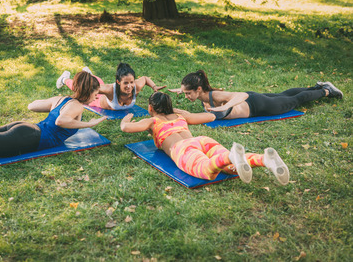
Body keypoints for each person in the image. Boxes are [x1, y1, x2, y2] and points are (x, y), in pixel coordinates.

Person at [120, 92, 290, 185]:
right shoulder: (181, 117)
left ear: (150, 108)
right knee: (231, 168)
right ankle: (264, 159)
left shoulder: (152, 121)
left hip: (182, 149)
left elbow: (126, 128)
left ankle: (231, 156)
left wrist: (126, 119)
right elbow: (211, 118)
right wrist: (187, 114)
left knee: (208, 171)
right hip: (201, 141)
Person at [168, 70, 343, 120]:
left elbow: (242, 95)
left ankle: (326, 91)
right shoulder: (203, 94)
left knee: (293, 100)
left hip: (259, 106)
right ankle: (315, 87)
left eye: (188, 93)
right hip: (256, 101)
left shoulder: (217, 97)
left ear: (198, 89)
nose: (186, 96)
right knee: (282, 94)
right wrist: (181, 90)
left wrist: (227, 106)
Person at [56, 63, 166, 110]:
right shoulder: (109, 90)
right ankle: (64, 79)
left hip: (102, 90)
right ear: (118, 82)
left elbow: (145, 79)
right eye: (125, 83)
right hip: (97, 101)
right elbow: (85, 87)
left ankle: (89, 74)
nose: (129, 86)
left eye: (131, 82)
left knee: (99, 82)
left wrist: (154, 87)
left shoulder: (136, 86)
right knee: (84, 86)